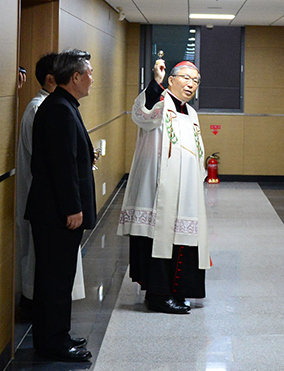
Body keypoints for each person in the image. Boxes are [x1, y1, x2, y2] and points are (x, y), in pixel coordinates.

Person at [117, 59, 211, 314]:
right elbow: (142, 114)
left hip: (186, 191)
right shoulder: (160, 102)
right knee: (159, 238)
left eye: (196, 81)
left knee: (181, 239)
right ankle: (159, 296)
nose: (191, 85)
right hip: (158, 189)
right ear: (171, 80)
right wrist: (155, 85)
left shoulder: (191, 113)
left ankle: (176, 291)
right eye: (185, 78)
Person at [24, 49, 96, 362]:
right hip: (56, 213)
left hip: (55, 212)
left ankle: (59, 333)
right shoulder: (58, 110)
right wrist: (72, 207)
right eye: (89, 73)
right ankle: (52, 341)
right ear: (76, 77)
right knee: (54, 279)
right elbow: (61, 165)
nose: (92, 78)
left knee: (60, 277)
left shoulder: (64, 105)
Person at [16, 53, 58, 319]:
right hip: (38, 191)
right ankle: (31, 302)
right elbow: (43, 156)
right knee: (33, 248)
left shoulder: (53, 105)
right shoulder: (37, 108)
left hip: (48, 192)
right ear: (52, 79)